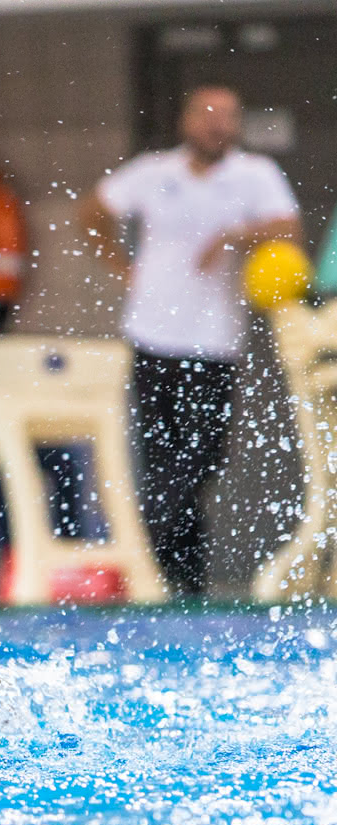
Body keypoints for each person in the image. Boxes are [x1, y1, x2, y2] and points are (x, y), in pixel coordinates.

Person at [86, 85, 301, 596]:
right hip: (152, 338)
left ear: (238, 125)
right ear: (185, 121)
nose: (216, 124)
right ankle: (179, 579)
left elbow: (288, 228)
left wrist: (231, 235)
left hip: (215, 345)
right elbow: (92, 212)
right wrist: (122, 267)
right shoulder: (153, 171)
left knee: (201, 461)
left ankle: (164, 568)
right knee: (161, 462)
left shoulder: (254, 175)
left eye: (227, 115)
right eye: (207, 114)